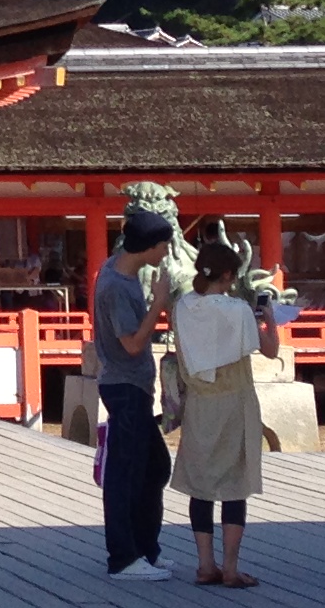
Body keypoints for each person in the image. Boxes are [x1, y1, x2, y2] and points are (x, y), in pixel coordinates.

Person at [169, 238, 275, 586]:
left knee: (201, 486)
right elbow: (270, 350)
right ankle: (230, 567)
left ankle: (205, 564)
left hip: (200, 402)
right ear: (228, 275)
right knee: (234, 485)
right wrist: (269, 319)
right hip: (234, 402)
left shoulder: (183, 307)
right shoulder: (238, 310)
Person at [93, 204, 174, 577]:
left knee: (154, 467)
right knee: (126, 473)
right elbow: (132, 344)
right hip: (124, 385)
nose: (166, 253)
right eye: (164, 246)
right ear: (149, 247)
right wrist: (159, 302)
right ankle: (124, 557)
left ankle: (145, 549)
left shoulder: (117, 267)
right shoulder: (116, 286)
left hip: (134, 386)